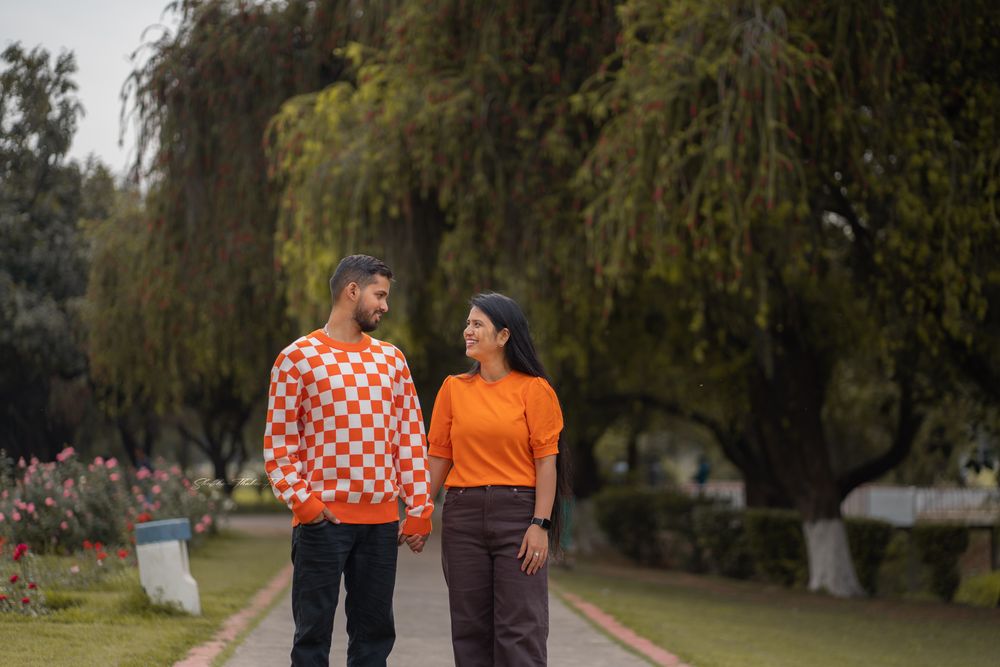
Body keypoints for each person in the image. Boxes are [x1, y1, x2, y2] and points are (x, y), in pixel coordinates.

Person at [263, 254, 433, 667]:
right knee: (311, 639)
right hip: (321, 524)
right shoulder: (297, 358)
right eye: (380, 295)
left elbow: (410, 440)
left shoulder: (392, 361)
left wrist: (420, 509)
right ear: (351, 291)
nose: (385, 306)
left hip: (380, 528)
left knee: (374, 640)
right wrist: (306, 505)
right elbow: (278, 446)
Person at [427, 292, 569, 667]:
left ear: (504, 336)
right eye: (468, 323)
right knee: (470, 628)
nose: (468, 331)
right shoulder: (453, 389)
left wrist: (540, 523)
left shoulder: (534, 390)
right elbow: (440, 456)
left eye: (478, 324)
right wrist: (420, 509)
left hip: (518, 516)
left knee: (520, 629)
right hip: (462, 516)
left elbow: (547, 463)